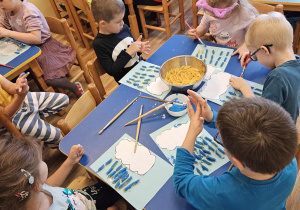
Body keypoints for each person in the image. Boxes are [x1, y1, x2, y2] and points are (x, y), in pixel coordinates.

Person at [173, 89, 298, 209]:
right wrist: (212, 117)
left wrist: (192, 132)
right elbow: (253, 127)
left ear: (237, 162)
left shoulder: (221, 193)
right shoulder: (289, 161)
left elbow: (181, 181)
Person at [0, 134, 122, 210]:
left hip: (83, 198)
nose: (43, 160)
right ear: (36, 183)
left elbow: (49, 186)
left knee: (116, 186)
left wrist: (70, 161)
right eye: (40, 160)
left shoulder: (35, 191)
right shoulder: (36, 190)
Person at [0, 0, 84, 98]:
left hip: (45, 47)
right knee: (20, 74)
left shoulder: (28, 11)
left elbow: (36, 38)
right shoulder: (7, 10)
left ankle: (74, 87)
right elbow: (3, 25)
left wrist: (8, 33)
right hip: (29, 48)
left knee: (48, 79)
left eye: (1, 0)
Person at [229, 12, 300, 122]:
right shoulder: (296, 59)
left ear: (265, 50)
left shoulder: (277, 78)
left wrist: (245, 88)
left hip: (282, 131)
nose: (254, 58)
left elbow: (263, 116)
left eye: (255, 56)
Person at [0, 72, 68, 147]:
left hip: (24, 100)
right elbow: (5, 114)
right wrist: (21, 96)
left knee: (64, 100)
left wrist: (18, 85)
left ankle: (37, 130)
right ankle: (43, 137)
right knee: (60, 137)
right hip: (15, 119)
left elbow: (9, 86)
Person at [91, 0, 151, 82]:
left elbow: (133, 53)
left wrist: (138, 49)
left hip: (142, 67)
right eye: (118, 21)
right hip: (128, 81)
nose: (122, 23)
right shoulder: (99, 44)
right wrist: (128, 52)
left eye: (122, 19)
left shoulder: (124, 28)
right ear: (103, 24)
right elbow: (112, 70)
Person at [187, 0, 258, 58]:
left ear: (234, 5)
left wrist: (245, 46)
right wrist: (197, 32)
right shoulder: (209, 12)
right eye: (213, 14)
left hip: (237, 51)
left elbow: (254, 35)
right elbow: (203, 27)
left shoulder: (245, 14)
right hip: (217, 49)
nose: (217, 17)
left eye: (222, 13)